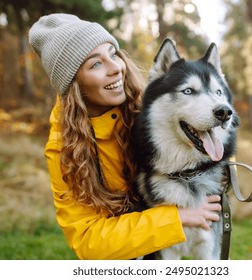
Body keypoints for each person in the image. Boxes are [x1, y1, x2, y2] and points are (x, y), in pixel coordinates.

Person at [28, 13, 221, 260]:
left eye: (113, 53)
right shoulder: (63, 148)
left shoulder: (146, 106)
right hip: (123, 249)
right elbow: (89, 240)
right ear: (74, 84)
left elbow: (204, 130)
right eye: (96, 64)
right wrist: (175, 218)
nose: (115, 68)